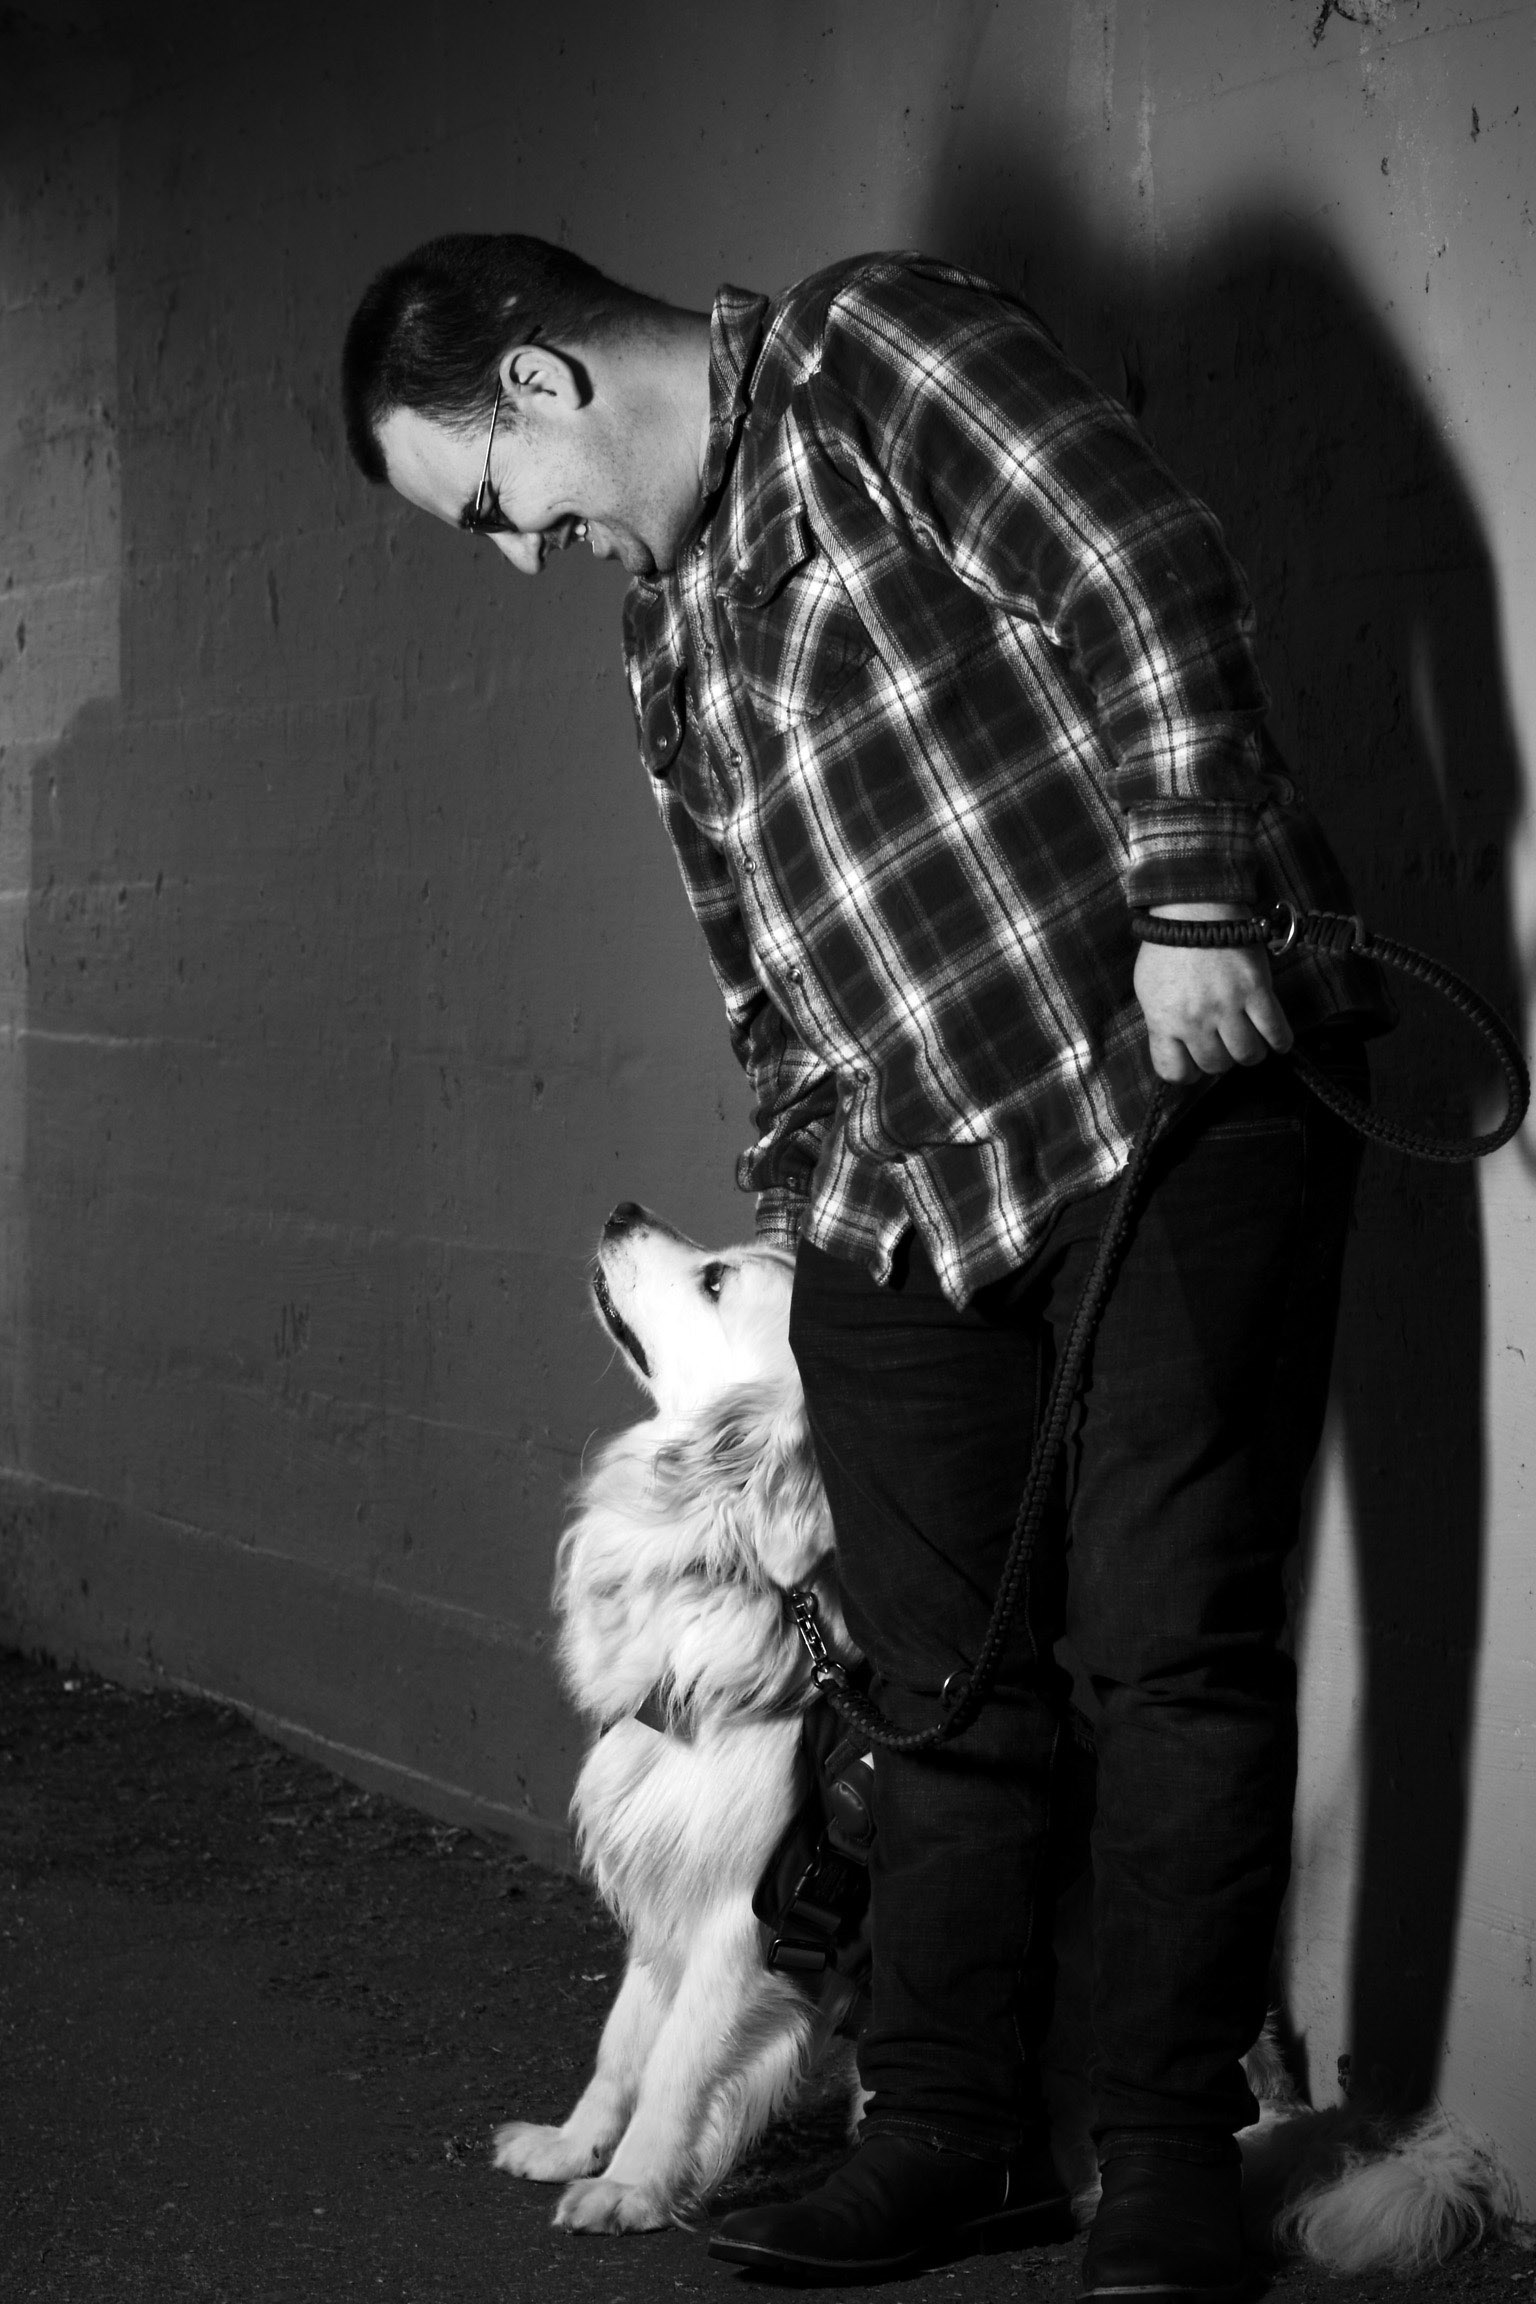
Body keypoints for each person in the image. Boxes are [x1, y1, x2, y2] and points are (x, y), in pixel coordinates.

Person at [341, 236, 1387, 2299]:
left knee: (1164, 1650)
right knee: (930, 1688)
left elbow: (1143, 574)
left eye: (487, 502)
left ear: (542, 382)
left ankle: (1165, 2157)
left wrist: (1191, 905)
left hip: (1149, 1111)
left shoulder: (871, 361)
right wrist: (812, 1195)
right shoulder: (665, 619)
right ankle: (946, 2139)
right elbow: (770, 966)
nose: (518, 554)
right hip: (906, 1191)